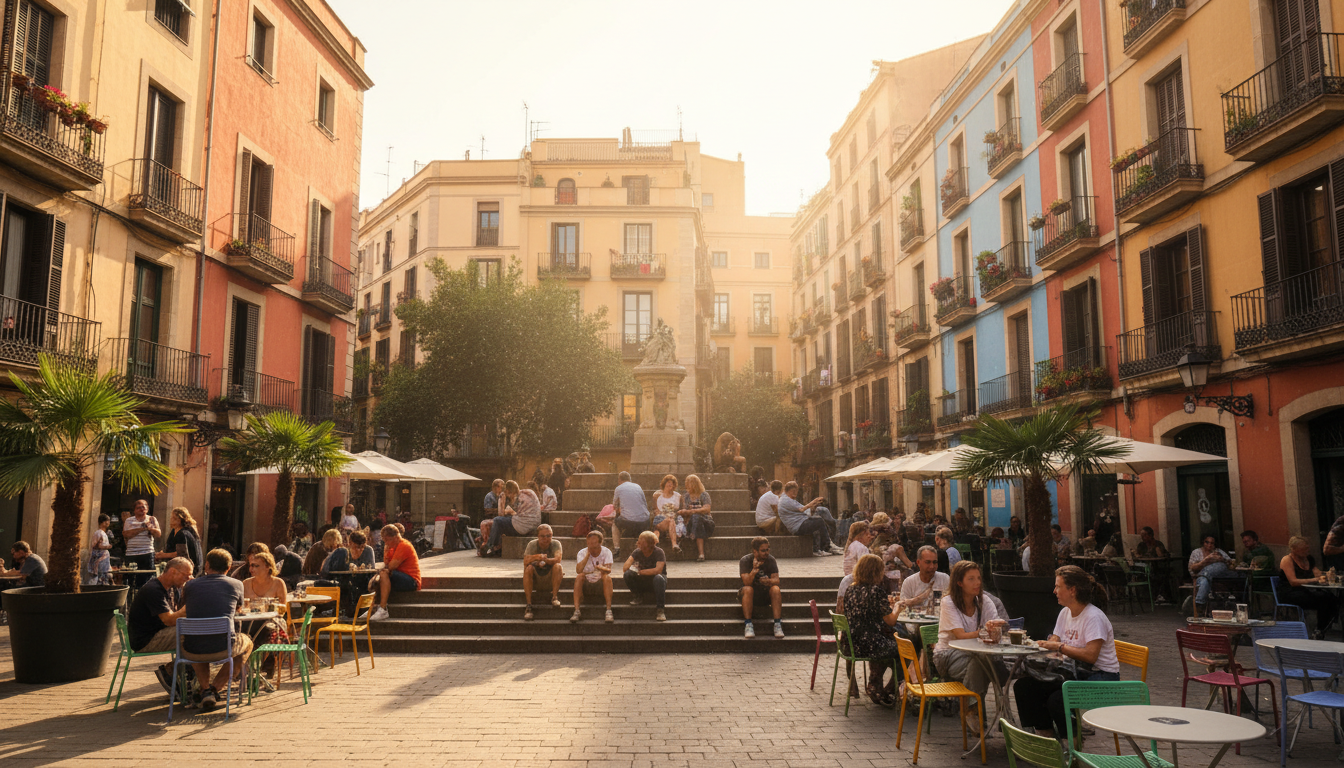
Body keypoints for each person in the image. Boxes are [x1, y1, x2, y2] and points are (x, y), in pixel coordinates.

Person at [1013, 565, 1120, 737]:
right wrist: (1051, 642)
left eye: (1058, 586)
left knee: (1057, 700)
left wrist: (1059, 647)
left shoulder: (1094, 617)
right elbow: (1056, 637)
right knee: (1025, 687)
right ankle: (1046, 736)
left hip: (1102, 678)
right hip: (1074, 672)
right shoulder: (1065, 612)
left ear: (1072, 590)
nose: (1054, 591)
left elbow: (1090, 656)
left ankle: (1073, 743)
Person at [182, 549, 250, 713]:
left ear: (206, 565)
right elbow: (239, 608)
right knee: (247, 644)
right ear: (229, 567)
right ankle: (215, 689)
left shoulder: (190, 585)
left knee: (200, 637)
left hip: (192, 649)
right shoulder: (237, 584)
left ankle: (205, 690)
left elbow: (183, 607)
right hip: (223, 646)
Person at [933, 560, 1005, 707]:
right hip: (948, 655)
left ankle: (972, 710)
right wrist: (985, 631)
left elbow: (997, 633)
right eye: (971, 579)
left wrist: (995, 629)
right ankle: (975, 707)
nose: (977, 583)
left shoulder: (985, 601)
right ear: (959, 582)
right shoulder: (948, 602)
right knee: (987, 665)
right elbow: (960, 636)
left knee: (982, 663)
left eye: (978, 578)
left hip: (978, 655)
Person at [843, 554, 904, 707]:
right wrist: (897, 608)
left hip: (851, 644)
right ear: (876, 572)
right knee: (906, 651)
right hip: (871, 644)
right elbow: (890, 621)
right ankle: (887, 690)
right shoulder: (876, 591)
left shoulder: (850, 589)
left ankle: (875, 685)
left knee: (890, 647)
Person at [126, 557, 191, 694]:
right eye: (186, 576)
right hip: (145, 640)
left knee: (193, 631)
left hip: (155, 634)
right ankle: (173, 672)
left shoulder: (170, 588)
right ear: (173, 572)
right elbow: (169, 620)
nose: (188, 579)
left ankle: (183, 677)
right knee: (191, 633)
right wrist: (190, 606)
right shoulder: (154, 590)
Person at [1279, 535, 1338, 639]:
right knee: (1323, 599)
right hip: (1290, 593)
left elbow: (1318, 574)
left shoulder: (1308, 559)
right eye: (1303, 549)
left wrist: (1328, 575)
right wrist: (1315, 580)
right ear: (1294, 549)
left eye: (1307, 548)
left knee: (1332, 598)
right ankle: (1319, 629)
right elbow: (1293, 582)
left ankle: (1322, 628)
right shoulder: (1287, 560)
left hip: (1306, 591)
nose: (1307, 551)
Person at [366, 524, 421, 621]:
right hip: (399, 576)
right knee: (376, 577)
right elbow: (386, 563)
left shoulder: (404, 545)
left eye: (386, 540)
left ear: (394, 537)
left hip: (411, 580)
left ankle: (383, 609)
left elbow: (391, 566)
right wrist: (386, 550)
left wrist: (385, 568)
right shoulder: (392, 547)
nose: (385, 543)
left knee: (383, 574)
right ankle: (372, 607)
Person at [778, 481, 843, 557]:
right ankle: (828, 546)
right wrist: (813, 502)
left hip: (800, 523)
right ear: (791, 490)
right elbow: (802, 509)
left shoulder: (787, 499)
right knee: (819, 521)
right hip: (798, 526)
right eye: (795, 491)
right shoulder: (786, 500)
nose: (796, 494)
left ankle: (826, 545)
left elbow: (806, 511)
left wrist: (814, 506)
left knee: (820, 516)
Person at [319, 530, 375, 618]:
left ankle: (358, 609)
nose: (360, 550)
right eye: (356, 547)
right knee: (345, 584)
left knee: (364, 583)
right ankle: (344, 610)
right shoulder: (342, 552)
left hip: (358, 580)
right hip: (337, 579)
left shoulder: (368, 550)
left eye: (362, 547)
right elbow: (332, 570)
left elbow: (370, 568)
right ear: (350, 543)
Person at [740, 536, 783, 639]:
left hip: (765, 593)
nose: (766, 552)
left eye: (767, 549)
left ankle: (777, 624)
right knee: (748, 589)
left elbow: (776, 580)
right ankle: (748, 624)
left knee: (776, 589)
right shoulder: (745, 560)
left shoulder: (771, 560)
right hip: (750, 594)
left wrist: (768, 581)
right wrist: (754, 570)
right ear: (755, 551)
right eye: (763, 550)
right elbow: (746, 582)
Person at [484, 480, 542, 556]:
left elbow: (501, 514)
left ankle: (490, 546)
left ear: (508, 491)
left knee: (497, 521)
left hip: (523, 527)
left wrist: (502, 499)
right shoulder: (529, 492)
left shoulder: (516, 498)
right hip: (536, 523)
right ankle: (496, 547)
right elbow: (519, 512)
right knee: (505, 521)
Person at [1188, 535, 1241, 617]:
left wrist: (1222, 559)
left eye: (1212, 543)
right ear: (1203, 542)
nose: (1209, 545)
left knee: (1220, 565)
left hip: (1218, 579)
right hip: (1201, 577)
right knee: (1204, 581)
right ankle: (1200, 606)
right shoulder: (1196, 552)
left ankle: (1200, 604)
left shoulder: (1219, 551)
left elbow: (1230, 563)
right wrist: (1206, 561)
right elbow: (1192, 569)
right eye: (1207, 542)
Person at [622, 530, 667, 621]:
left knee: (658, 578)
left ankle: (660, 609)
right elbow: (625, 568)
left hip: (656, 581)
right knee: (628, 574)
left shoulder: (659, 552)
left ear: (649, 543)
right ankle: (637, 596)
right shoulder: (637, 552)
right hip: (643, 580)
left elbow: (658, 570)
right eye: (639, 540)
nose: (638, 543)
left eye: (642, 541)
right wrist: (633, 565)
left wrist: (641, 572)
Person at [521, 524, 564, 620]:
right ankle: (529, 605)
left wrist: (546, 560)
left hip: (550, 577)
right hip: (535, 578)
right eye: (542, 536)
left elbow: (558, 559)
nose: (546, 538)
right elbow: (526, 560)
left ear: (552, 535)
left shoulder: (556, 544)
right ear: (538, 536)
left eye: (548, 536)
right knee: (528, 568)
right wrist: (537, 557)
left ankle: (554, 597)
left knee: (558, 566)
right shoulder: (532, 544)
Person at [572, 530, 614, 623]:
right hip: (587, 580)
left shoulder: (607, 552)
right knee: (579, 576)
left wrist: (601, 568)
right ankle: (577, 610)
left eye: (594, 543)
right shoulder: (582, 552)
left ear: (600, 542)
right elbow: (578, 570)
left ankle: (608, 610)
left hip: (600, 580)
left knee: (607, 577)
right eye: (589, 543)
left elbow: (608, 570)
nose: (591, 545)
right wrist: (587, 555)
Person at [898, 545, 951, 613]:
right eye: (928, 562)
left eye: (935, 562)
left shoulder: (945, 579)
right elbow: (902, 607)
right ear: (918, 563)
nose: (932, 566)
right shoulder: (909, 582)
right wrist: (920, 598)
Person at [121, 499, 160, 588]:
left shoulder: (152, 519)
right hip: (132, 554)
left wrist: (150, 528)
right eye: (139, 508)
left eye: (144, 507)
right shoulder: (129, 521)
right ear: (134, 510)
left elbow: (158, 534)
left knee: (146, 579)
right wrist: (142, 528)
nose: (142, 509)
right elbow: (126, 534)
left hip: (147, 553)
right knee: (129, 579)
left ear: (147, 508)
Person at [610, 471, 650, 554]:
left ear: (619, 480)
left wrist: (620, 511)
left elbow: (615, 506)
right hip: (645, 521)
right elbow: (645, 504)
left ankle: (617, 548)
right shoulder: (638, 487)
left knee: (615, 523)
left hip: (629, 522)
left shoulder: (619, 488)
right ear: (630, 479)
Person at [156, 507, 203, 575]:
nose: (171, 520)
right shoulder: (174, 531)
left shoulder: (183, 533)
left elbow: (181, 553)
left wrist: (163, 555)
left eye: (174, 518)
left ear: (180, 520)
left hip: (188, 568)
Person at [682, 474, 714, 562]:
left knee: (697, 517)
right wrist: (684, 512)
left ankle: (693, 533)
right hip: (691, 522)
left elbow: (707, 509)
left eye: (688, 483)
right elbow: (685, 509)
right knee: (695, 518)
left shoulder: (704, 494)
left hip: (706, 522)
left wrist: (692, 511)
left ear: (694, 484)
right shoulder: (686, 496)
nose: (686, 485)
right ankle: (701, 554)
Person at [651, 474, 684, 555]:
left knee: (671, 520)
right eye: (668, 482)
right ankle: (674, 544)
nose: (670, 484)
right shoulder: (657, 495)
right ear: (664, 483)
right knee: (668, 520)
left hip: (674, 519)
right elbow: (656, 510)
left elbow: (682, 509)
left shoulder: (678, 496)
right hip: (661, 519)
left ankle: (674, 545)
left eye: (672, 483)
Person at [84, 514, 113, 586]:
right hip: (99, 559)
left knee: (105, 575)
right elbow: (96, 546)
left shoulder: (104, 533)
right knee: (99, 576)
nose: (108, 524)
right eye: (107, 522)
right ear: (103, 522)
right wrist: (106, 547)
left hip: (104, 559)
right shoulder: (98, 533)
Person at [478, 479, 505, 554]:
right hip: (491, 518)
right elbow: (487, 510)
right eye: (500, 487)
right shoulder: (489, 496)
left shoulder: (501, 495)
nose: (501, 489)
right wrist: (500, 510)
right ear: (495, 487)